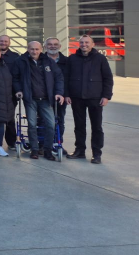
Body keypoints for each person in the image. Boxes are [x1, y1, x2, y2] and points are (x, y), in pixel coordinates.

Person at [12, 41, 65, 160]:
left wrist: (59, 93)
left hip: (46, 99)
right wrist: (19, 90)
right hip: (30, 99)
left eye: (37, 49)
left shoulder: (48, 61)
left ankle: (47, 150)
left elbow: (59, 77)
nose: (34, 51)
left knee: (51, 124)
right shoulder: (21, 61)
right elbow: (15, 78)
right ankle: (34, 150)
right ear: (28, 49)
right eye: (32, 49)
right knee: (32, 124)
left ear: (41, 49)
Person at [65, 35, 113, 164]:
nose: (84, 44)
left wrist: (106, 96)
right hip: (77, 98)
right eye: (81, 42)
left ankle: (96, 154)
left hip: (95, 98)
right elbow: (66, 78)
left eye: (87, 42)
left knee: (96, 127)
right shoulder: (72, 59)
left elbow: (108, 78)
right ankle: (80, 151)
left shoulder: (100, 59)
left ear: (92, 44)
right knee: (79, 126)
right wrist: (67, 94)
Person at [44, 36, 70, 153]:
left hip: (61, 97)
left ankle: (58, 143)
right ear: (45, 46)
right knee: (42, 121)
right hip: (43, 96)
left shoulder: (66, 61)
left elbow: (69, 80)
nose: (52, 46)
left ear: (60, 46)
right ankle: (43, 145)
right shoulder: (39, 60)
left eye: (55, 44)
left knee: (59, 120)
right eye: (50, 44)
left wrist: (67, 95)